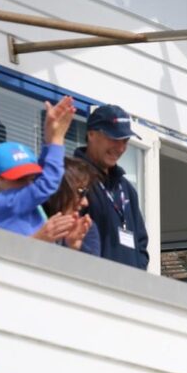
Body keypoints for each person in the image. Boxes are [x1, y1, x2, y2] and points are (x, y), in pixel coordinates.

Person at [0, 96, 75, 236]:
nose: (28, 184)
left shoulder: (23, 202)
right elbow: (45, 185)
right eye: (19, 178)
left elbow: (42, 178)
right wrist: (57, 140)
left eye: (30, 177)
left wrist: (50, 136)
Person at [75, 104, 149, 270]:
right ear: (91, 134)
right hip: (91, 287)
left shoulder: (127, 189)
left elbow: (141, 244)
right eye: (114, 139)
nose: (121, 148)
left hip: (128, 291)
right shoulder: (73, 177)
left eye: (125, 141)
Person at [33, 157, 100, 255]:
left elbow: (94, 268)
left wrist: (73, 247)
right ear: (58, 190)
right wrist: (39, 239)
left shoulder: (86, 230)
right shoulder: (29, 220)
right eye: (81, 192)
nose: (85, 202)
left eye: (87, 194)